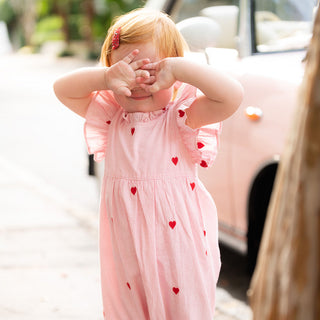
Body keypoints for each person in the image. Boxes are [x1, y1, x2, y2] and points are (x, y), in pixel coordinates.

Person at [53, 8, 243, 320]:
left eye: (151, 72)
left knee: (183, 313)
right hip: (126, 253)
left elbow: (232, 96)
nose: (140, 84)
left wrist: (180, 68)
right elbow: (62, 88)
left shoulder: (181, 117)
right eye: (127, 73)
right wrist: (105, 78)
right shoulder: (112, 116)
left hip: (177, 249)